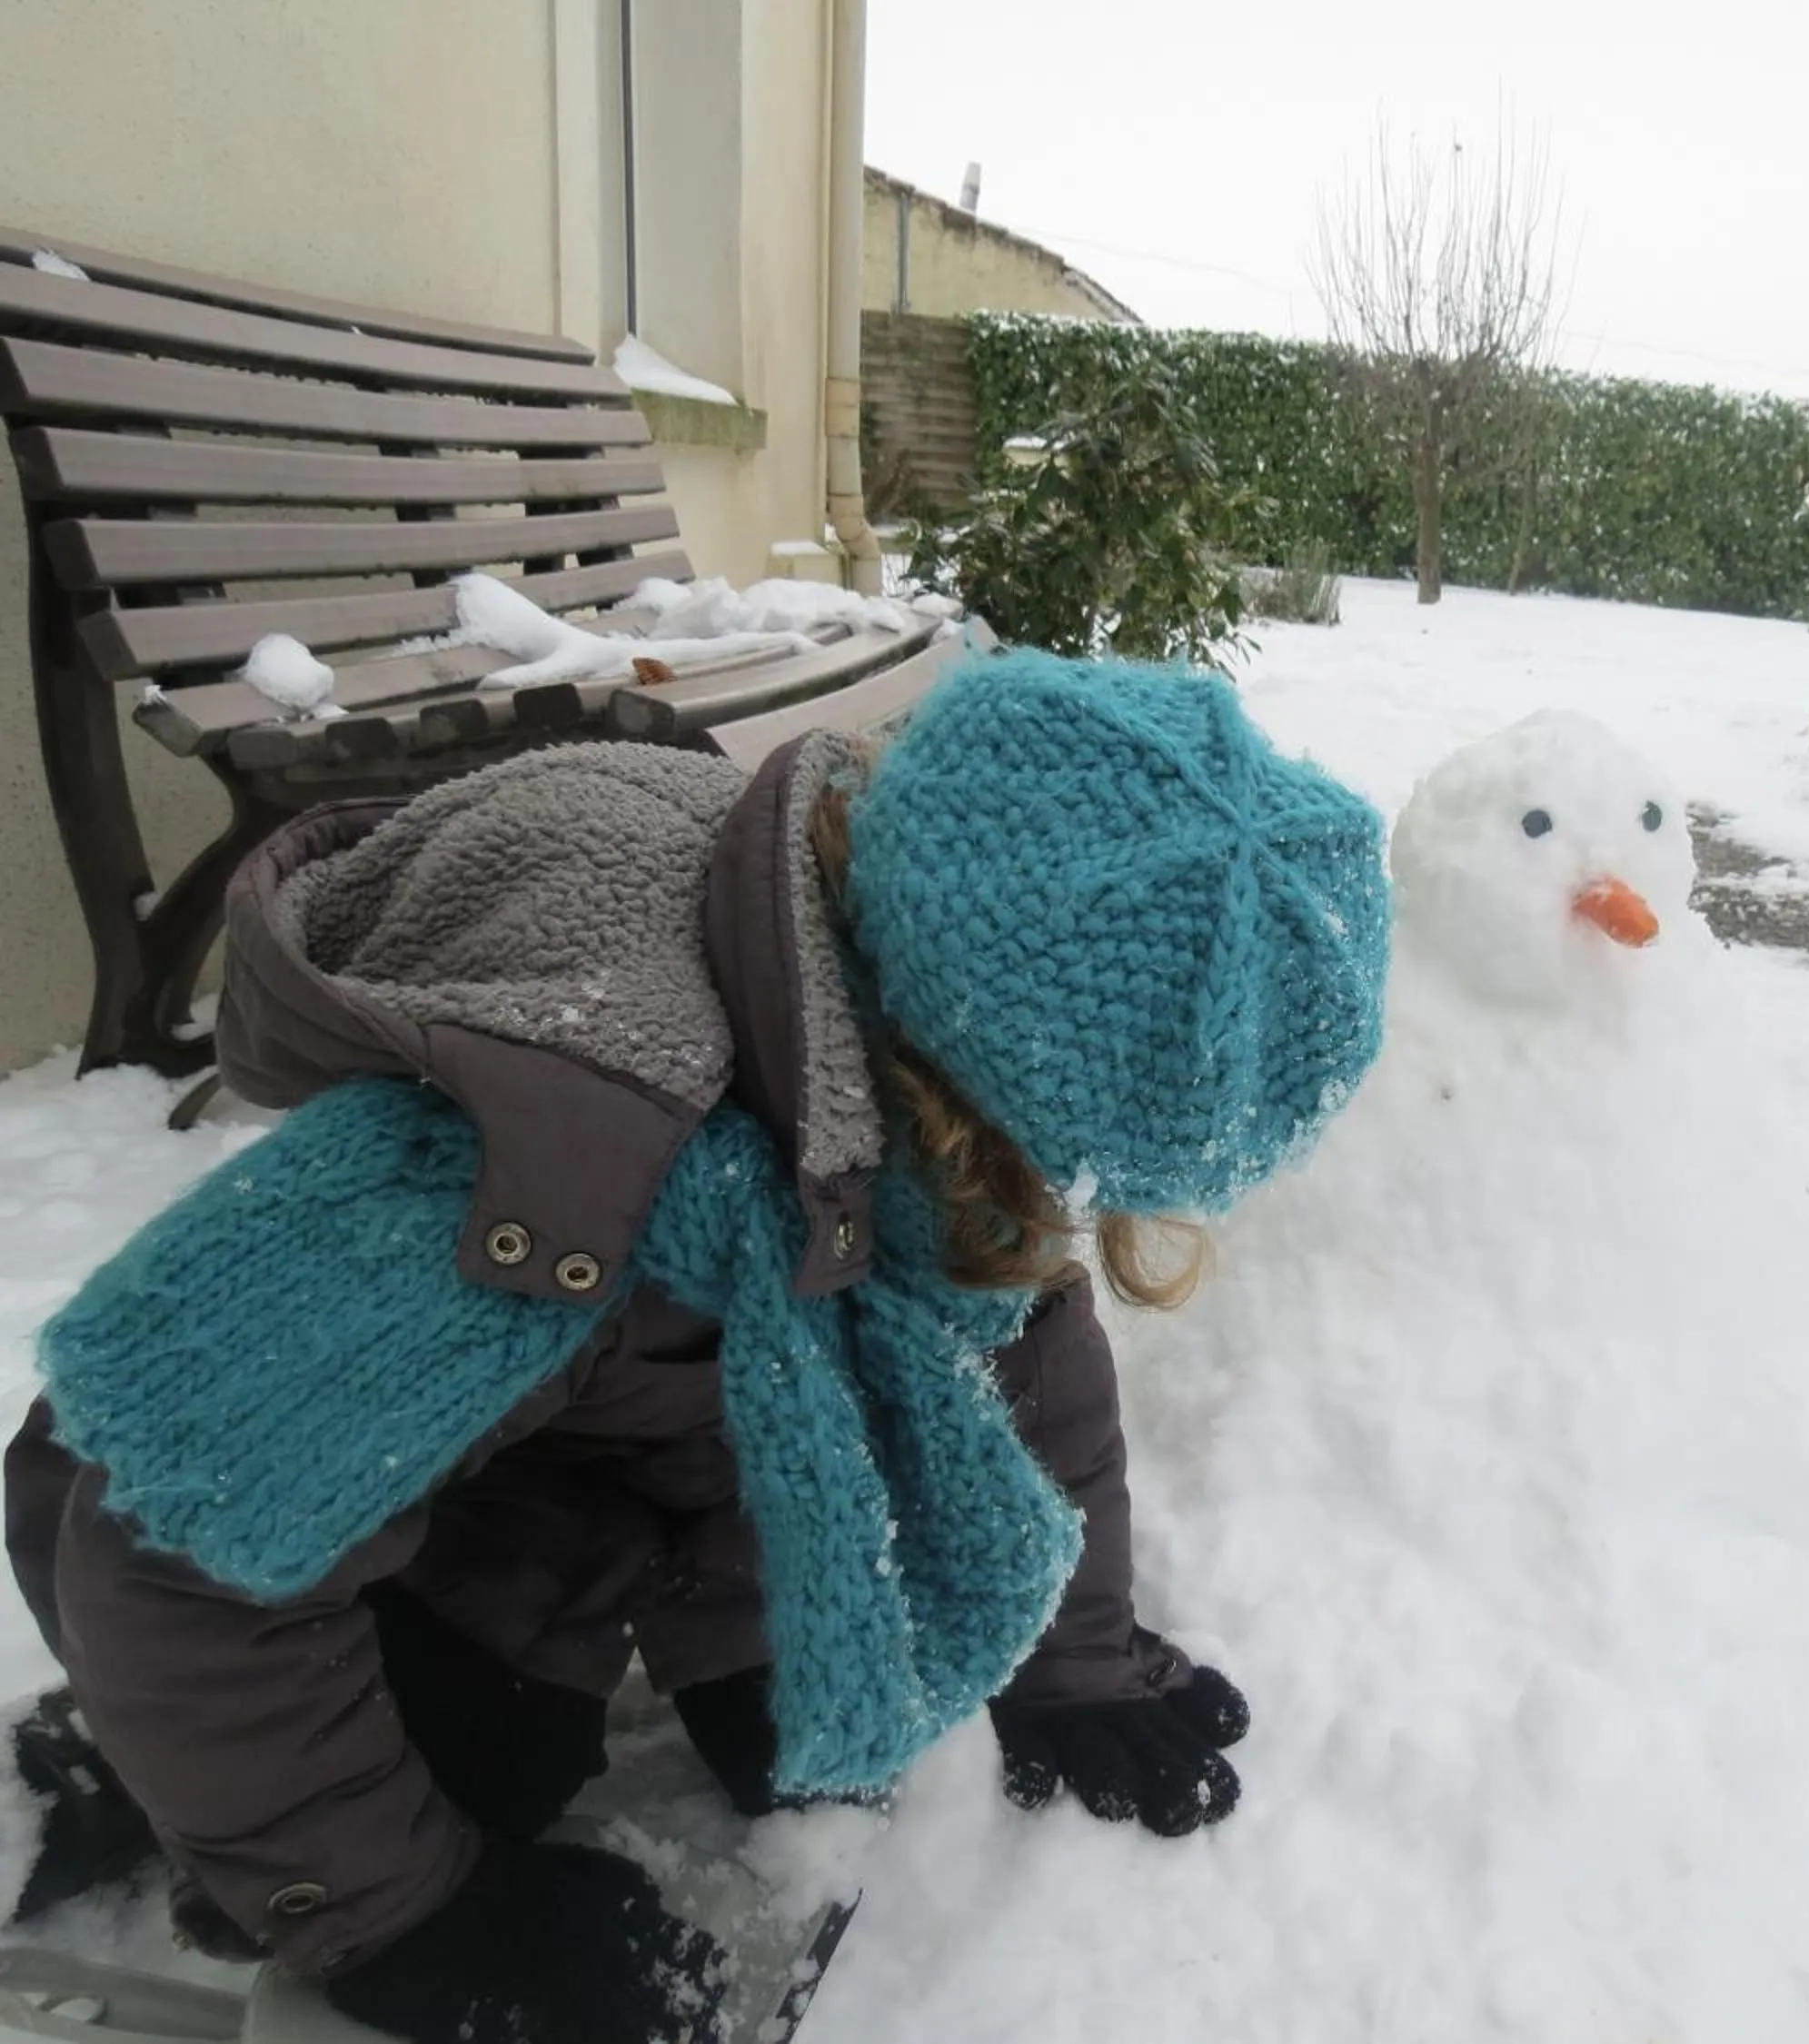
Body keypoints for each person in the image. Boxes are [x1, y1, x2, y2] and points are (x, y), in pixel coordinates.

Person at [2, 649, 1391, 2044]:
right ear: (962, 1101)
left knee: (809, 1740)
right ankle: (117, 1776)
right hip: (253, 1482)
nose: (1067, 1226)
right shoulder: (565, 1147)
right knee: (484, 1759)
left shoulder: (896, 1030)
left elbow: (1026, 1341)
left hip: (611, 1419)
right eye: (1073, 1182)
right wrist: (413, 1916)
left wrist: (1074, 1661)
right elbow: (161, 1545)